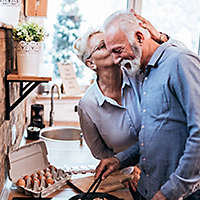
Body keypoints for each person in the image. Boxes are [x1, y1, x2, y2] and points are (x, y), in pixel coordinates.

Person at [95, 10, 200, 200]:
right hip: (148, 190)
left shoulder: (180, 61)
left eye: (118, 50)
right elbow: (153, 136)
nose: (117, 60)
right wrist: (119, 160)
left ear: (139, 36)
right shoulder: (143, 73)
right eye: (112, 53)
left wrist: (171, 191)